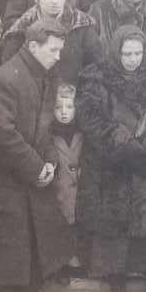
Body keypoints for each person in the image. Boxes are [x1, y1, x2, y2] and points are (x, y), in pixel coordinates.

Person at [0, 20, 69, 292]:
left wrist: (50, 160)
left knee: (34, 233)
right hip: (5, 174)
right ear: (33, 46)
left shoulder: (44, 76)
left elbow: (44, 129)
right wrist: (35, 166)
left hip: (30, 171)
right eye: (53, 50)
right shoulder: (5, 79)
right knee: (7, 239)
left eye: (61, 50)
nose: (58, 56)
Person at [77, 26, 146, 292]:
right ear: (115, 51)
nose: (133, 59)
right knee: (114, 234)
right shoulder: (97, 79)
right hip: (114, 167)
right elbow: (90, 117)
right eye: (126, 53)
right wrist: (120, 140)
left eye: (137, 53)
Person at [2, 0, 103, 86]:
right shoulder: (21, 29)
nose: (55, 1)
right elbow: (10, 69)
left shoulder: (82, 25)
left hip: (72, 95)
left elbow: (95, 67)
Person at [49, 84, 87, 280]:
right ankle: (60, 263)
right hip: (58, 189)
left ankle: (76, 260)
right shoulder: (49, 134)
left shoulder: (82, 133)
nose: (64, 112)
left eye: (69, 107)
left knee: (76, 224)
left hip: (78, 190)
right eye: (58, 107)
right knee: (59, 223)